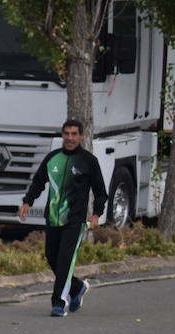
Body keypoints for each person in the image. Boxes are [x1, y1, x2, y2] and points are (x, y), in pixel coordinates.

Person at [18, 119, 108, 317]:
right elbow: (38, 182)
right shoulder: (52, 158)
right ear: (62, 135)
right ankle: (77, 287)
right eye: (66, 134)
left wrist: (96, 214)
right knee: (52, 257)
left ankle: (58, 303)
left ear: (81, 136)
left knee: (65, 260)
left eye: (74, 134)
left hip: (74, 220)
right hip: (53, 219)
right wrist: (27, 202)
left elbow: (100, 192)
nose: (70, 138)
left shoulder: (88, 161)